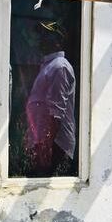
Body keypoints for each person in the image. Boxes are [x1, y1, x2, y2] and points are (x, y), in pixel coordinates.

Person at [25, 19, 77, 176]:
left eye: (48, 35)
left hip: (56, 145)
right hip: (47, 144)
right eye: (42, 34)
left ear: (58, 41)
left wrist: (46, 148)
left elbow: (56, 112)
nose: (42, 38)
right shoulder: (50, 66)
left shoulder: (60, 66)